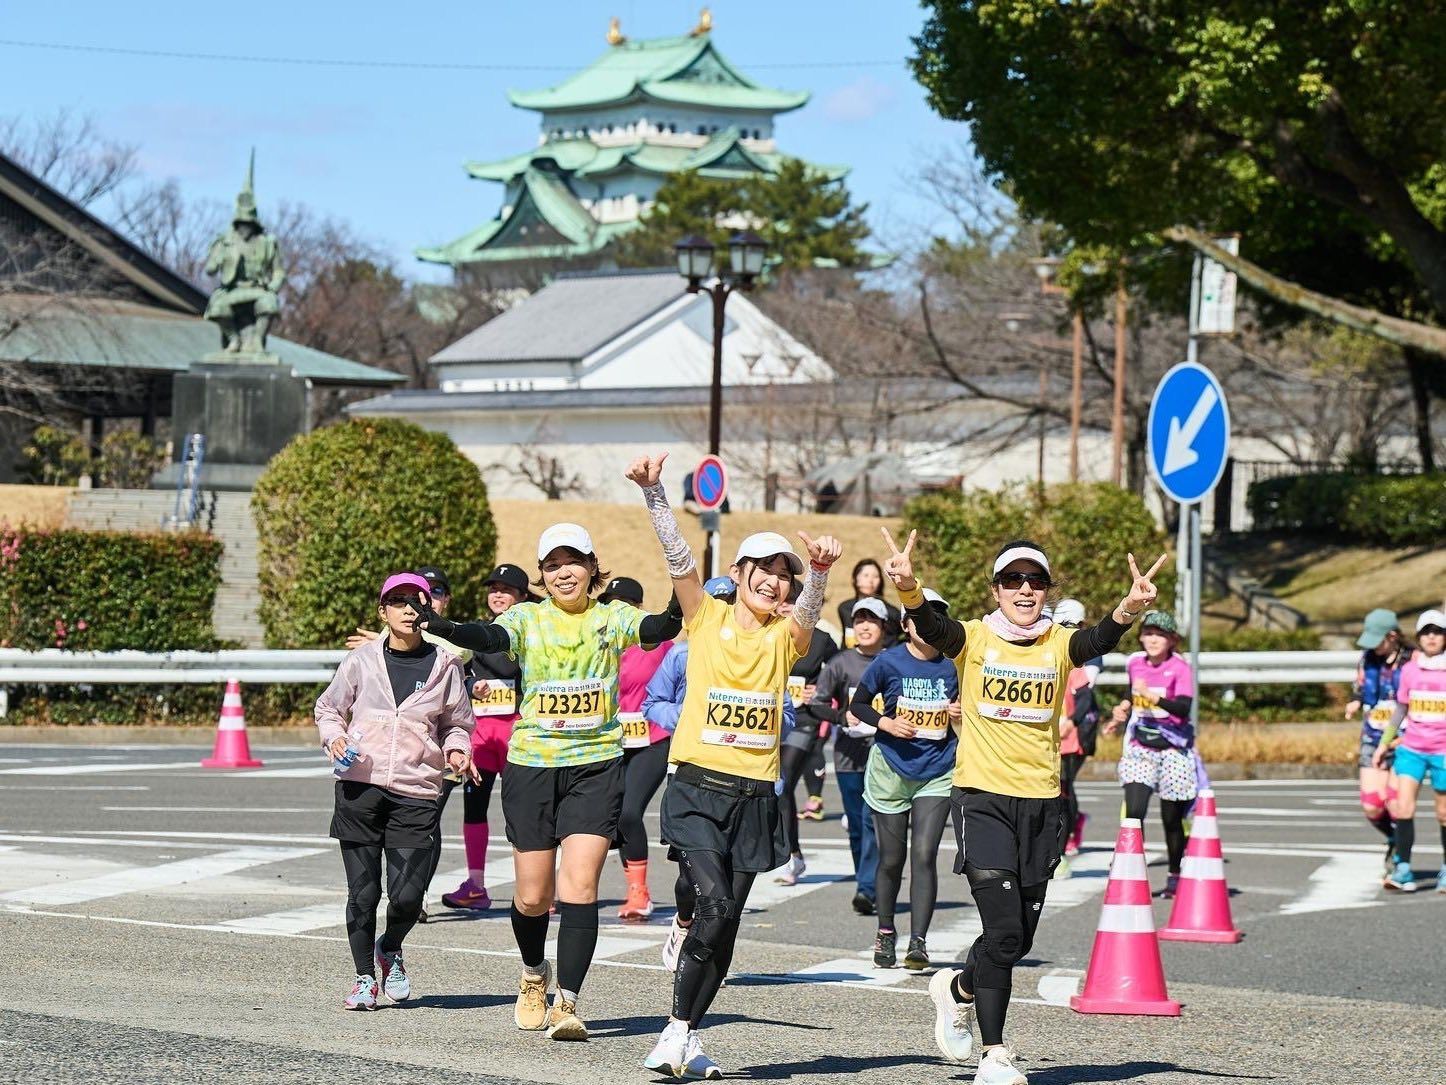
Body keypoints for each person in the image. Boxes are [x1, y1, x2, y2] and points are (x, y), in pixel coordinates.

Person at [881, 529, 1163, 1085]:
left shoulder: (1059, 642)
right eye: (1013, 580)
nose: (1025, 589)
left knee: (1017, 939)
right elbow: (933, 627)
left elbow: (1099, 639)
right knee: (1004, 930)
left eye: (1035, 580)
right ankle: (994, 1054)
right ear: (996, 590)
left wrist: (1130, 606)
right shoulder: (973, 637)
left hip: (1042, 804)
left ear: (1047, 590)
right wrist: (909, 588)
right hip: (982, 799)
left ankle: (957, 988)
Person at [417, 524, 682, 1041]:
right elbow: (488, 636)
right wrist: (445, 626)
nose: (564, 573)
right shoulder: (527, 617)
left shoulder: (612, 617)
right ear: (542, 574)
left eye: (573, 562)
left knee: (579, 887)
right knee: (533, 897)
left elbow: (661, 626)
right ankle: (535, 972)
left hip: (596, 765)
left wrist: (680, 592)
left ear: (592, 567)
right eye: (553, 565)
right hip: (533, 765)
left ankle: (569, 1002)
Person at [629, 451, 843, 1080]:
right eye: (763, 570)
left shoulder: (786, 637)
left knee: (726, 926)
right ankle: (675, 1031)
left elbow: (808, 615)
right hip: (696, 788)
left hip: (755, 796)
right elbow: (679, 560)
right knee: (716, 906)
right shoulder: (706, 616)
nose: (773, 583)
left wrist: (819, 573)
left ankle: (684, 1035)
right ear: (739, 571)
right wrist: (656, 495)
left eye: (783, 575)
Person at [315, 572, 477, 1010]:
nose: (408, 609)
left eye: (416, 602)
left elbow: (457, 723)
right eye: (398, 601)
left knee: (406, 897)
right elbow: (329, 708)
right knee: (363, 893)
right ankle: (364, 978)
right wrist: (335, 737)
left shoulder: (446, 665)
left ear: (428, 610)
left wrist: (457, 750)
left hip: (416, 788)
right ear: (382, 611)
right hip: (359, 786)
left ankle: (390, 947)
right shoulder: (361, 661)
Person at [643, 577, 792, 969]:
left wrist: (756, 719)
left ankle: (707, 958)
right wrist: (689, 716)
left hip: (750, 780)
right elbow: (653, 703)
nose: (726, 609)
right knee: (689, 879)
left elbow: (787, 714)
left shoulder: (770, 648)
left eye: (729, 600)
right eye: (717, 602)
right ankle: (684, 922)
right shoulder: (683, 654)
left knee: (728, 889)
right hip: (695, 773)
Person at [848, 588, 959, 971]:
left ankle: (918, 942)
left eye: (936, 617)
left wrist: (961, 714)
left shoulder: (954, 665)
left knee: (925, 855)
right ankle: (885, 931)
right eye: (920, 617)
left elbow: (973, 714)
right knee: (891, 859)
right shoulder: (888, 661)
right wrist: (887, 723)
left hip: (937, 771)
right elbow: (858, 704)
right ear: (905, 624)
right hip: (891, 769)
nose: (928, 624)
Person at [438, 564, 533, 913]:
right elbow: (454, 670)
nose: (497, 594)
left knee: (525, 812)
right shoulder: (476, 632)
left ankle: (538, 888)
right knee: (474, 807)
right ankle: (476, 886)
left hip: (519, 733)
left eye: (506, 590)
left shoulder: (532, 630)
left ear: (522, 597)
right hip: (479, 734)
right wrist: (469, 685)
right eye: (493, 588)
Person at [1102, 610, 1201, 899]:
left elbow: (1183, 709)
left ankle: (1174, 873)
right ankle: (1132, 872)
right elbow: (1130, 694)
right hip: (1141, 746)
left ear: (1172, 640)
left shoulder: (1180, 668)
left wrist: (1154, 697)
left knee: (1172, 819)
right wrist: (1121, 710)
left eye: (1160, 635)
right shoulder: (1135, 663)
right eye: (1148, 633)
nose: (1153, 639)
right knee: (1134, 812)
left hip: (1173, 748)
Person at [808, 597, 889, 915]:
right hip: (848, 755)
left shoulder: (893, 662)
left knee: (872, 820)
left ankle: (867, 888)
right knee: (856, 824)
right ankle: (866, 884)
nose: (864, 627)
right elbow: (817, 704)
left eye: (871, 620)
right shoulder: (841, 663)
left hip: (885, 754)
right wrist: (842, 716)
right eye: (859, 621)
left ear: (884, 627)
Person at [602, 575, 676, 921]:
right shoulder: (599, 643)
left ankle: (640, 893)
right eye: (609, 603)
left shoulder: (659, 645)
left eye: (623, 604)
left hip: (651, 739)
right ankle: (563, 887)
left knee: (629, 812)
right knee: (607, 815)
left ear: (638, 608)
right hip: (610, 741)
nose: (615, 610)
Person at [1374, 609, 1446, 893]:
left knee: (1444, 813)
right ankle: (1403, 868)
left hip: (1443, 752)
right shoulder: (1410, 671)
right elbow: (1400, 709)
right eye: (1426, 632)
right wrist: (1384, 743)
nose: (1432, 637)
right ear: (1418, 637)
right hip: (1412, 748)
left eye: (1438, 632)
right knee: (1402, 807)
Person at [776, 581, 840, 883]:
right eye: (782, 601)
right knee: (768, 787)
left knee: (784, 781)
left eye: (792, 601)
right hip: (767, 720)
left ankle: (792, 856)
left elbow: (842, 674)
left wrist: (822, 689)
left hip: (804, 720)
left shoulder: (822, 639)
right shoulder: (765, 634)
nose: (785, 606)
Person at [1345, 608, 1408, 874]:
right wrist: (1355, 702)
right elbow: (1360, 690)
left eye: (1378, 640)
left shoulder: (1411, 662)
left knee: (1396, 803)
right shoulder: (1367, 659)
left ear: (1392, 636)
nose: (1373, 647)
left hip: (1405, 739)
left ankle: (1401, 858)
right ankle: (1394, 838)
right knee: (1372, 805)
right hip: (1372, 737)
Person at [1053, 599, 1101, 866]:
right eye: (1061, 625)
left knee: (1064, 787)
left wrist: (1071, 721)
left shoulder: (1088, 651)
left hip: (1077, 731)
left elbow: (1084, 693)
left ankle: (1065, 838)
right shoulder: (1051, 648)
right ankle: (1064, 830)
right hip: (1054, 732)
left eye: (1072, 625)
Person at [837, 558, 902, 648]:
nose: (871, 580)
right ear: (855, 579)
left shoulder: (892, 613)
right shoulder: (845, 608)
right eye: (866, 575)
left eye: (876, 576)